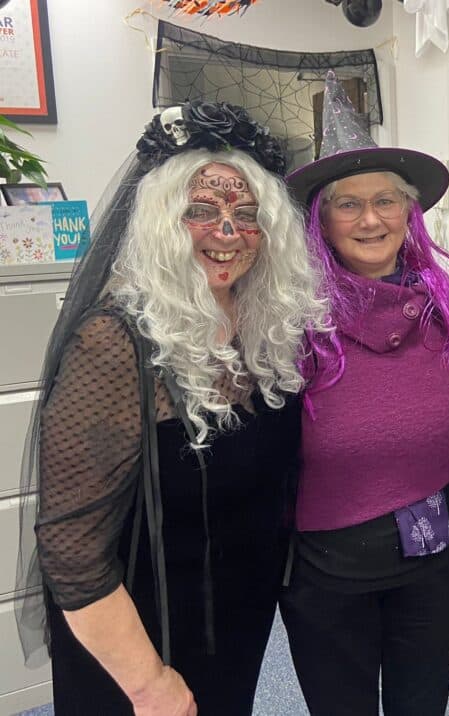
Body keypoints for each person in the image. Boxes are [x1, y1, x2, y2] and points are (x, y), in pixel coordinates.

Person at [16, 101, 327, 715]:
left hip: (232, 622)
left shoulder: (261, 328)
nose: (228, 232)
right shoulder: (114, 343)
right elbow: (72, 551)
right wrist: (147, 684)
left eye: (247, 214)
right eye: (202, 212)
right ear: (162, 223)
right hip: (137, 642)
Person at [279, 71, 449, 716]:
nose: (371, 219)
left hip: (434, 554)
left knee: (422, 701)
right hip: (323, 566)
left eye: (387, 201)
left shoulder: (445, 308)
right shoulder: (289, 316)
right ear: (322, 219)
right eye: (348, 203)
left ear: (411, 212)